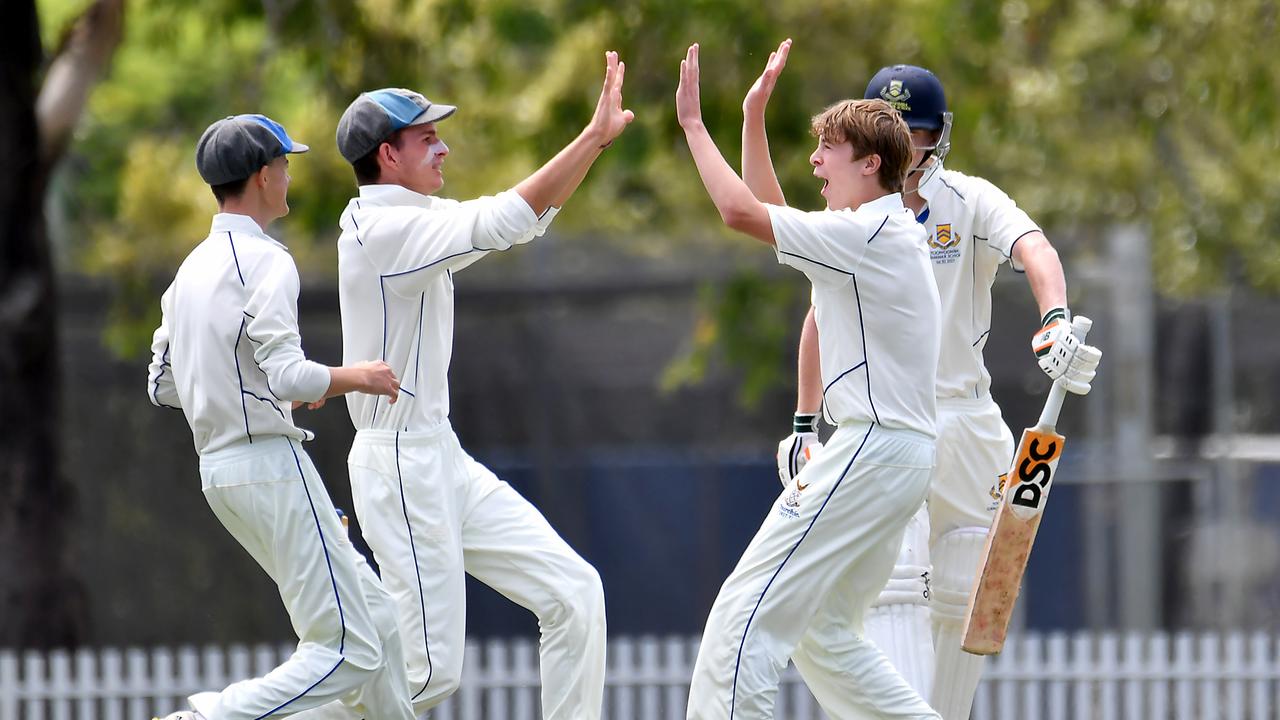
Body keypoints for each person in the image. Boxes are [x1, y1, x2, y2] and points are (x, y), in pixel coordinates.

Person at [773, 63, 1103, 719]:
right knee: (896, 587)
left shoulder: (970, 200)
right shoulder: (849, 218)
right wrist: (805, 424)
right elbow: (818, 316)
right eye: (899, 131)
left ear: (936, 134)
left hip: (969, 423)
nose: (913, 146)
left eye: (919, 131)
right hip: (888, 425)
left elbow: (1034, 248)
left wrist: (1056, 317)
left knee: (967, 594)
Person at [329, 51, 633, 719]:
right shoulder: (384, 229)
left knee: (574, 593)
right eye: (427, 137)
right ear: (387, 155)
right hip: (401, 463)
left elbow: (524, 220)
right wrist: (589, 137)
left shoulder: (409, 219)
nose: (444, 147)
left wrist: (597, 142)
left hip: (437, 453)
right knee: (426, 673)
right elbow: (503, 219)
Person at [677, 41, 943, 720]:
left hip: (873, 449)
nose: (816, 162)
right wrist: (753, 115)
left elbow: (741, 214)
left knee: (744, 619)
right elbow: (773, 211)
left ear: (871, 162)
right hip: (900, 455)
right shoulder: (872, 232)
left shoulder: (869, 240)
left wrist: (694, 127)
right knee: (822, 635)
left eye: (828, 150)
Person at [147, 114, 413, 720]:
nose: (289, 175)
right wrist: (360, 376)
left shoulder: (189, 271)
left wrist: (244, 389)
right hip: (269, 466)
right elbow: (290, 376)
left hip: (222, 474)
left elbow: (164, 384)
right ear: (264, 176)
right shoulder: (266, 261)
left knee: (378, 622)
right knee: (349, 650)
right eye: (286, 165)